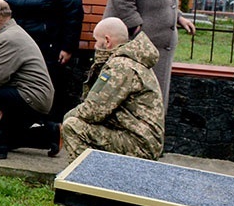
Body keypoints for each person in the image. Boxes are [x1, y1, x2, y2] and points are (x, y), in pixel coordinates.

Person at [61, 17, 165, 161]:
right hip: (139, 138)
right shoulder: (130, 61)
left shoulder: (121, 66)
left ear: (107, 41)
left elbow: (94, 110)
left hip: (138, 143)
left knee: (72, 126)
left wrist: (65, 118)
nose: (95, 46)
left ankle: (88, 174)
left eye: (96, 41)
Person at [4, 0, 84, 121]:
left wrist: (68, 47)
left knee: (48, 85)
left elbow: (73, 16)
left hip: (48, 45)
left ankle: (49, 126)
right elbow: (6, 6)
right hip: (18, 44)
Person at [0, 0, 55, 160]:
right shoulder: (11, 32)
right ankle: (51, 134)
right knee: (5, 138)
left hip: (31, 96)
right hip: (33, 95)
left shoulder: (8, 38)